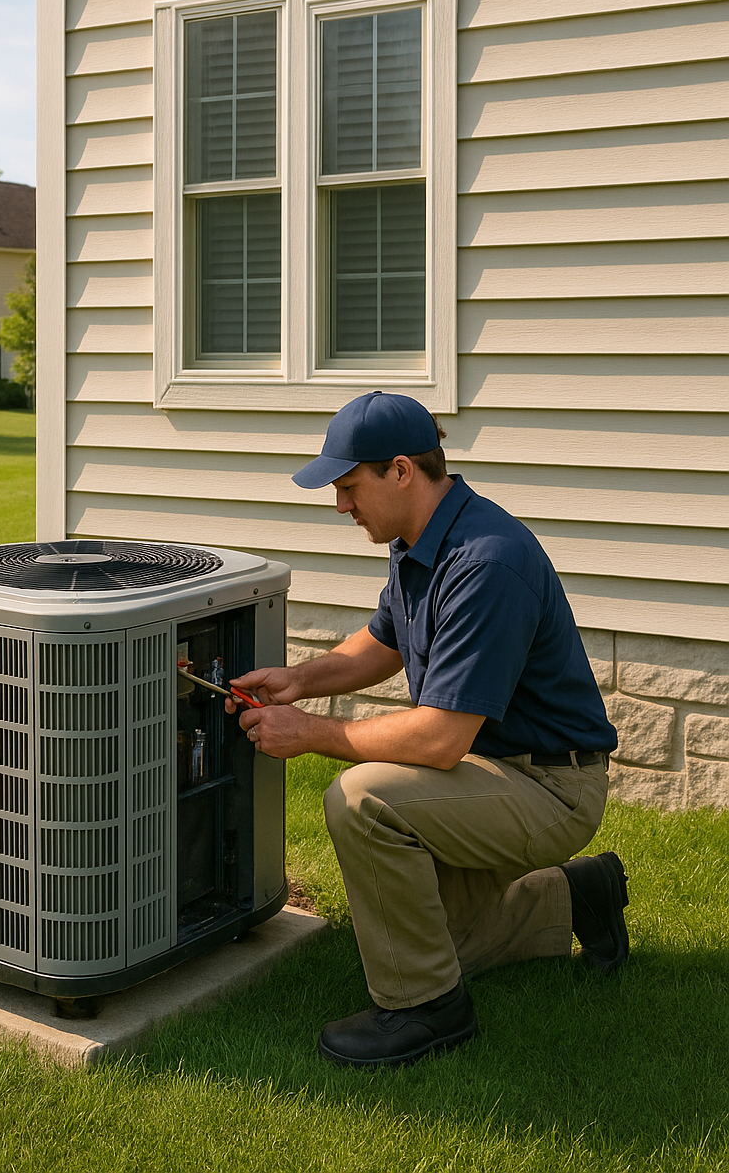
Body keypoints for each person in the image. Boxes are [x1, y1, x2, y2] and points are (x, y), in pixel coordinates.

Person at [228, 390, 626, 1069]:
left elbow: (441, 740)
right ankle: (576, 894)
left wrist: (311, 731)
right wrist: (303, 678)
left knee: (363, 798)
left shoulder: (486, 562)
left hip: (552, 785)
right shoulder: (423, 539)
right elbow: (385, 641)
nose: (341, 505)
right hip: (498, 774)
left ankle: (426, 1009)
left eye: (350, 486)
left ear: (402, 471)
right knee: (447, 941)